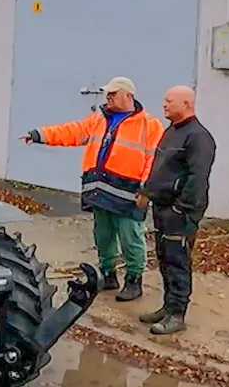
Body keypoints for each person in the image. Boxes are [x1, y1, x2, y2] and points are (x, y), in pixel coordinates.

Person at [22, 76, 164, 301]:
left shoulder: (150, 125)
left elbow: (153, 159)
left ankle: (133, 280)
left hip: (129, 193)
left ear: (128, 95)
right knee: (103, 235)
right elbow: (72, 131)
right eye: (107, 93)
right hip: (101, 190)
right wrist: (40, 135)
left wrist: (146, 190)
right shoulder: (99, 119)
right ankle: (108, 274)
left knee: (130, 237)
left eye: (112, 94)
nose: (107, 97)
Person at [137, 85, 215, 335]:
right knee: (165, 259)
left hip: (179, 214)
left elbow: (197, 178)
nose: (164, 105)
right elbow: (160, 167)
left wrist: (182, 209)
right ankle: (168, 306)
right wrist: (148, 192)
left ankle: (177, 314)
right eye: (165, 101)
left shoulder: (198, 137)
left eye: (170, 101)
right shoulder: (171, 132)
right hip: (162, 208)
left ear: (186, 104)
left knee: (177, 262)